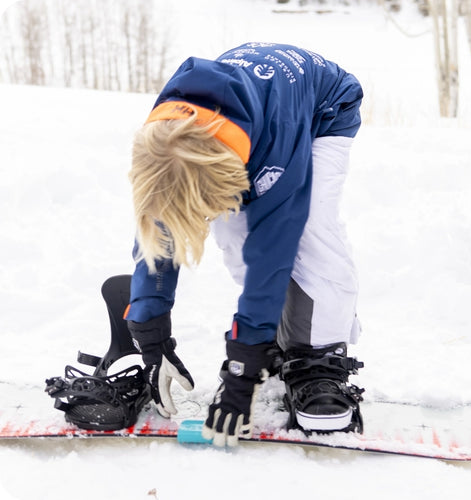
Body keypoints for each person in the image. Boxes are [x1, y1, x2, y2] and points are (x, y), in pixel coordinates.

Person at [125, 42, 365, 447]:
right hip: (240, 127)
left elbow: (273, 252)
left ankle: (318, 361)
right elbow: (160, 223)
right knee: (233, 230)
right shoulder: (164, 145)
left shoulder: (279, 144)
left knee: (310, 228)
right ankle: (271, 338)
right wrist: (151, 337)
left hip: (321, 110)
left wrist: (241, 370)